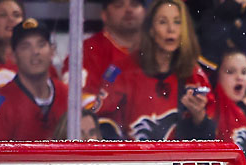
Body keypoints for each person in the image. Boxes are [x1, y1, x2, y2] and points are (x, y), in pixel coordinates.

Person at [92, 0, 216, 141]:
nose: (171, 29)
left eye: (177, 22)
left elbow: (210, 139)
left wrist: (199, 117)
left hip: (178, 161)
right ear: (150, 29)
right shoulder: (122, 70)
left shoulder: (195, 76)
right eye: (163, 22)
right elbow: (102, 123)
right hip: (132, 160)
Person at [0, 18, 66, 140]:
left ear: (52, 51)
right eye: (26, 46)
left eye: (41, 44)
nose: (35, 52)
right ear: (13, 56)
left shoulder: (68, 94)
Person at [64, 0, 145, 110]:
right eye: (119, 5)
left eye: (135, 4)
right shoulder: (85, 52)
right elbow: (78, 103)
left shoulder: (158, 48)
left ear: (145, 12)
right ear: (104, 15)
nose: (129, 10)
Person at [214, 48, 246, 165]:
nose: (239, 77)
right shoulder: (214, 107)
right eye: (230, 72)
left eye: (244, 72)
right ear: (218, 76)